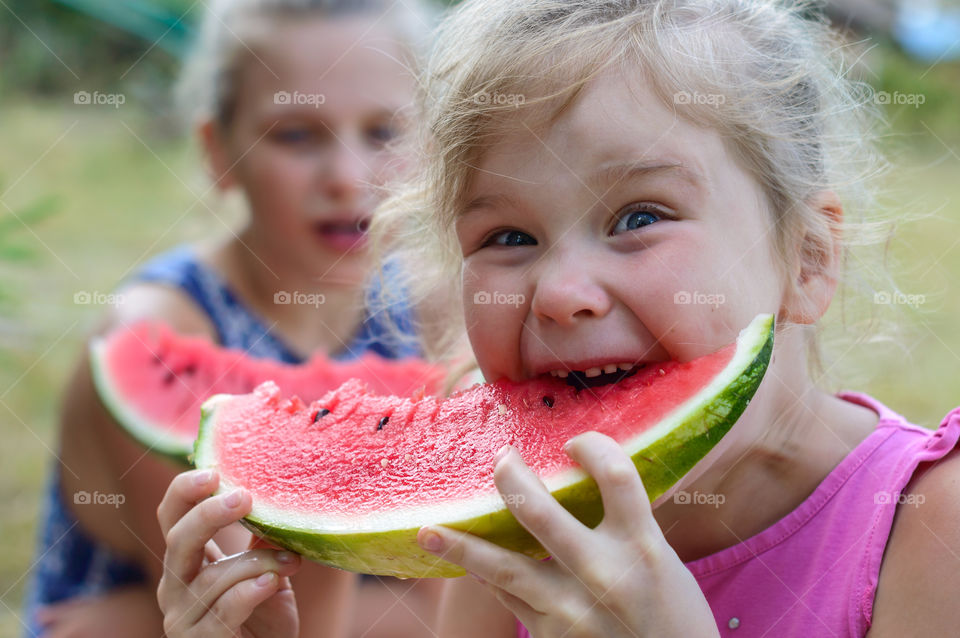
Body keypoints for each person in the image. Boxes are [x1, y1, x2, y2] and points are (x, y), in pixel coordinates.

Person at [155, 0, 960, 636]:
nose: (560, 291)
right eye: (508, 237)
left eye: (639, 217)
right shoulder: (515, 521)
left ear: (808, 257)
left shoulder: (925, 527)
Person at [24, 1, 441, 636]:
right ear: (219, 152)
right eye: (296, 135)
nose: (349, 178)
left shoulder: (434, 307)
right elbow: (248, 616)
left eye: (385, 132)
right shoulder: (155, 334)